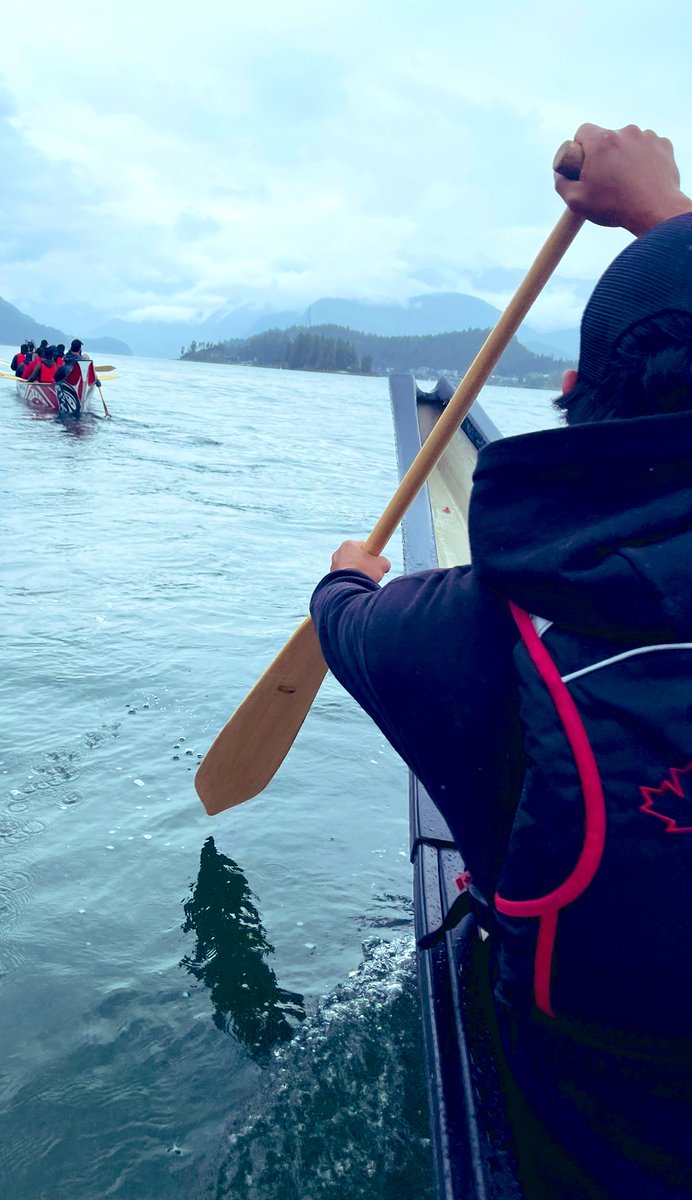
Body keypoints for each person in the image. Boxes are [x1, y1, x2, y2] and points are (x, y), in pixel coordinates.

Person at [309, 123, 692, 1200]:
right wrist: (666, 216)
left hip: (592, 1125)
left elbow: (344, 621)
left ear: (579, 395)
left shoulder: (467, 632)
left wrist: (345, 578)